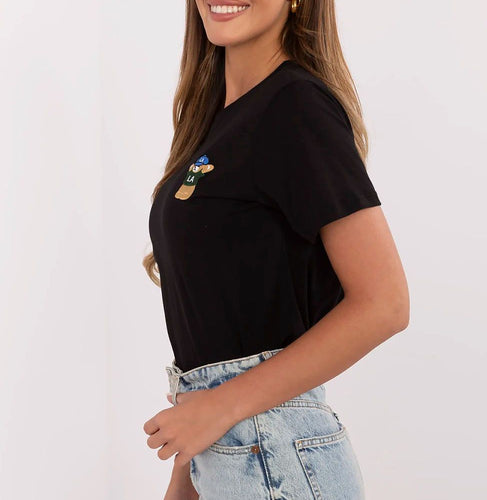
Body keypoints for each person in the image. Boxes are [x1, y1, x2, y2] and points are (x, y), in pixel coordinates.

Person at [143, 1, 410, 498]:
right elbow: (214, 336)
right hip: (233, 456)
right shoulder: (214, 123)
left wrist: (218, 406)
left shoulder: (297, 107)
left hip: (275, 457)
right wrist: (187, 473)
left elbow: (385, 304)